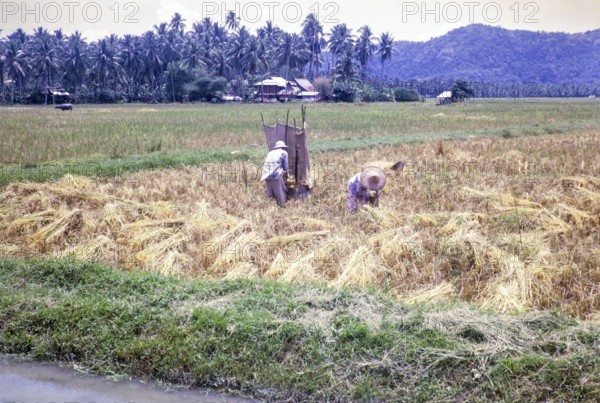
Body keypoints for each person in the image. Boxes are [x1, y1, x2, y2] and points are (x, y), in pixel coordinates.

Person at [260, 140, 289, 207]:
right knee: (279, 191)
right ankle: (282, 205)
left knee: (269, 192)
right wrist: (288, 174)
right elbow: (286, 165)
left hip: (266, 174)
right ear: (282, 147)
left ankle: (269, 206)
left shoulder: (270, 153)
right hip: (276, 173)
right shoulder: (284, 152)